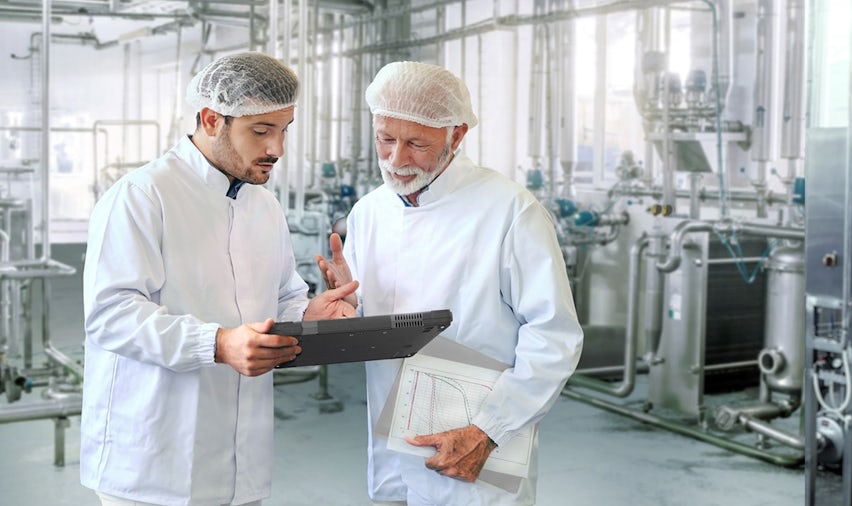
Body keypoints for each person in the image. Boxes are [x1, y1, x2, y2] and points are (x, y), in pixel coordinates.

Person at [80, 51, 358, 506]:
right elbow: (111, 315)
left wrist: (309, 312)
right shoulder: (142, 197)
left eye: (284, 130)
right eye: (261, 131)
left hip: (241, 464)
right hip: (152, 468)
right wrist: (217, 344)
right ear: (212, 119)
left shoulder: (263, 205)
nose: (277, 149)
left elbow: (283, 295)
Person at [317, 61, 584, 505]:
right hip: (391, 443)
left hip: (478, 443)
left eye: (416, 143)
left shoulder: (509, 210)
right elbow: (379, 325)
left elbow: (553, 335)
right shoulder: (370, 211)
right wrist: (350, 307)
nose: (397, 159)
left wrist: (490, 431)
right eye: (385, 139)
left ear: (456, 135)